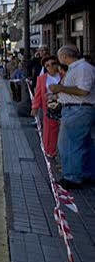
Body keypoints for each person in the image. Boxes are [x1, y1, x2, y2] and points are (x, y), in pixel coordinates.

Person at [48, 45, 95, 189]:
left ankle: (72, 177)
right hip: (75, 109)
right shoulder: (76, 68)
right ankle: (86, 173)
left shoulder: (83, 68)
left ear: (64, 56)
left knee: (68, 144)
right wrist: (58, 94)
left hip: (78, 110)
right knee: (82, 144)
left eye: (59, 57)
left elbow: (83, 91)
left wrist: (60, 89)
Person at [31, 55, 60, 157]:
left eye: (53, 64)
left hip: (64, 106)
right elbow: (38, 94)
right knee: (49, 130)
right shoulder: (42, 78)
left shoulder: (64, 75)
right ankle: (50, 151)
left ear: (57, 64)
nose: (50, 66)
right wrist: (35, 107)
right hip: (49, 106)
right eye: (47, 65)